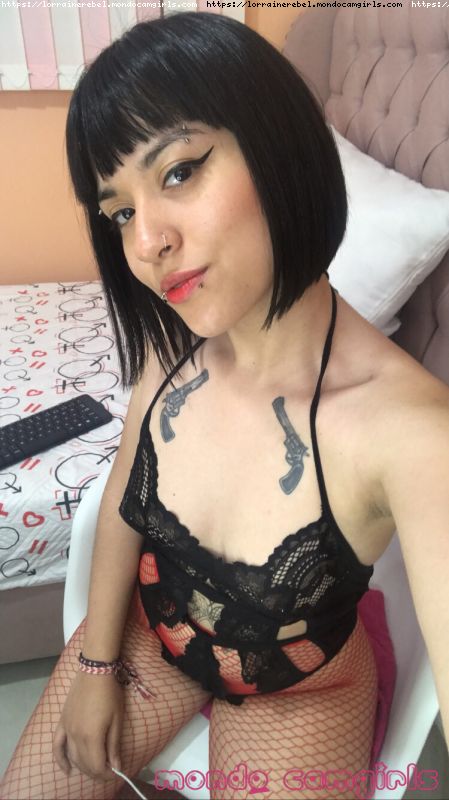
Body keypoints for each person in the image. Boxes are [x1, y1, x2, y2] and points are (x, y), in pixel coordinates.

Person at [1, 11, 449, 800]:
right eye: (120, 211)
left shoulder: (408, 431)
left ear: (280, 146)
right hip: (151, 637)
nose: (146, 244)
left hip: (298, 687)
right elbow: (123, 500)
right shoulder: (173, 345)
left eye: (177, 171)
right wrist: (97, 665)